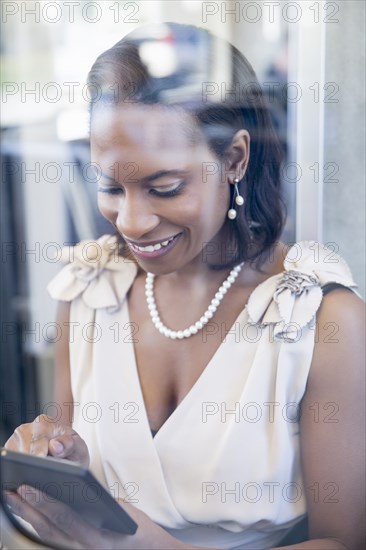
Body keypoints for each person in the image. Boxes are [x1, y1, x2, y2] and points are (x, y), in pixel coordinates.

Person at [4, 23, 365, 550]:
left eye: (164, 188)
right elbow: (69, 473)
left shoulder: (320, 320)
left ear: (235, 160)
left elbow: (345, 543)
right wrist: (61, 461)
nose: (130, 221)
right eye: (109, 185)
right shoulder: (89, 289)